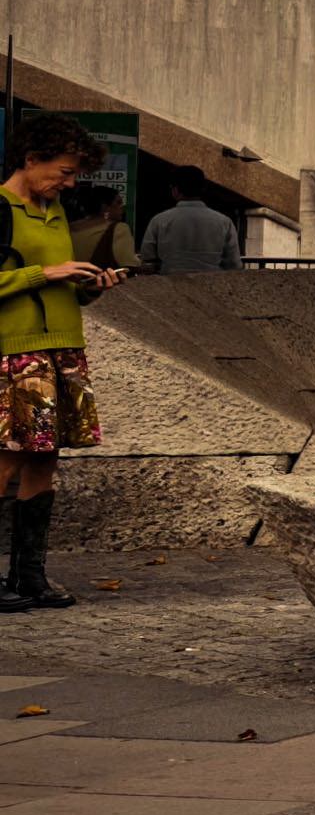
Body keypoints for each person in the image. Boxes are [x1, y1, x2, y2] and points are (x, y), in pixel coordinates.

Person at [0, 117, 133, 610]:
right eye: (64, 171)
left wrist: (90, 287)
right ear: (31, 159)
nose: (71, 183)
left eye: (75, 174)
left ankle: (29, 577)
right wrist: (45, 272)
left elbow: (63, 291)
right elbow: (33, 278)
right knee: (6, 458)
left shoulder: (53, 210)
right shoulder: (1, 207)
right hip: (16, 350)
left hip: (63, 348)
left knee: (45, 459)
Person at [140, 176, 242, 272]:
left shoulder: (159, 220)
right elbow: (234, 264)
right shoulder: (224, 222)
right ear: (203, 189)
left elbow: (148, 260)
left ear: (175, 190)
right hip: (211, 282)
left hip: (170, 281)